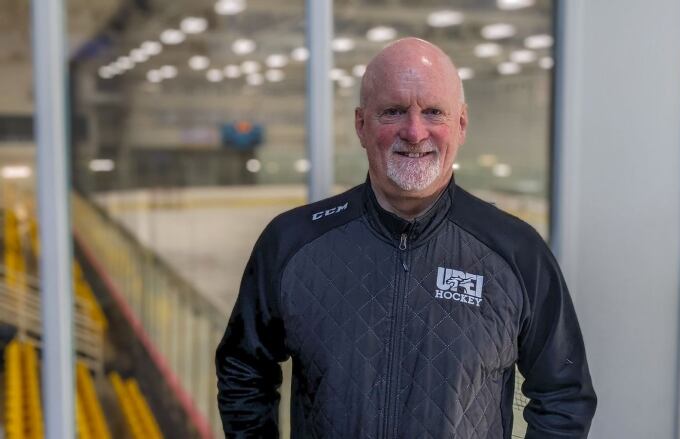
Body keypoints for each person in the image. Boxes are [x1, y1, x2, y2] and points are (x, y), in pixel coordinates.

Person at [216, 37, 597, 438]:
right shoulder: (292, 242)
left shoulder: (516, 251)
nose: (415, 132)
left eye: (434, 112)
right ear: (361, 125)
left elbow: (563, 395)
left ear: (461, 125)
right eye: (393, 111)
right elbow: (244, 369)